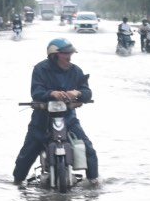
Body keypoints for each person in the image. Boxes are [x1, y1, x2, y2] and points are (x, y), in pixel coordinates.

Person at [13, 38, 99, 186]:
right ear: (54, 55)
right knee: (27, 153)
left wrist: (77, 93)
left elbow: (87, 92)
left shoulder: (76, 71)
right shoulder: (40, 69)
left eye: (70, 54)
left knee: (88, 149)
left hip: (68, 119)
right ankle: (17, 181)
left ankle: (94, 181)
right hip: (42, 120)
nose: (69, 57)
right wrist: (52, 93)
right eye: (65, 54)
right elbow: (36, 92)